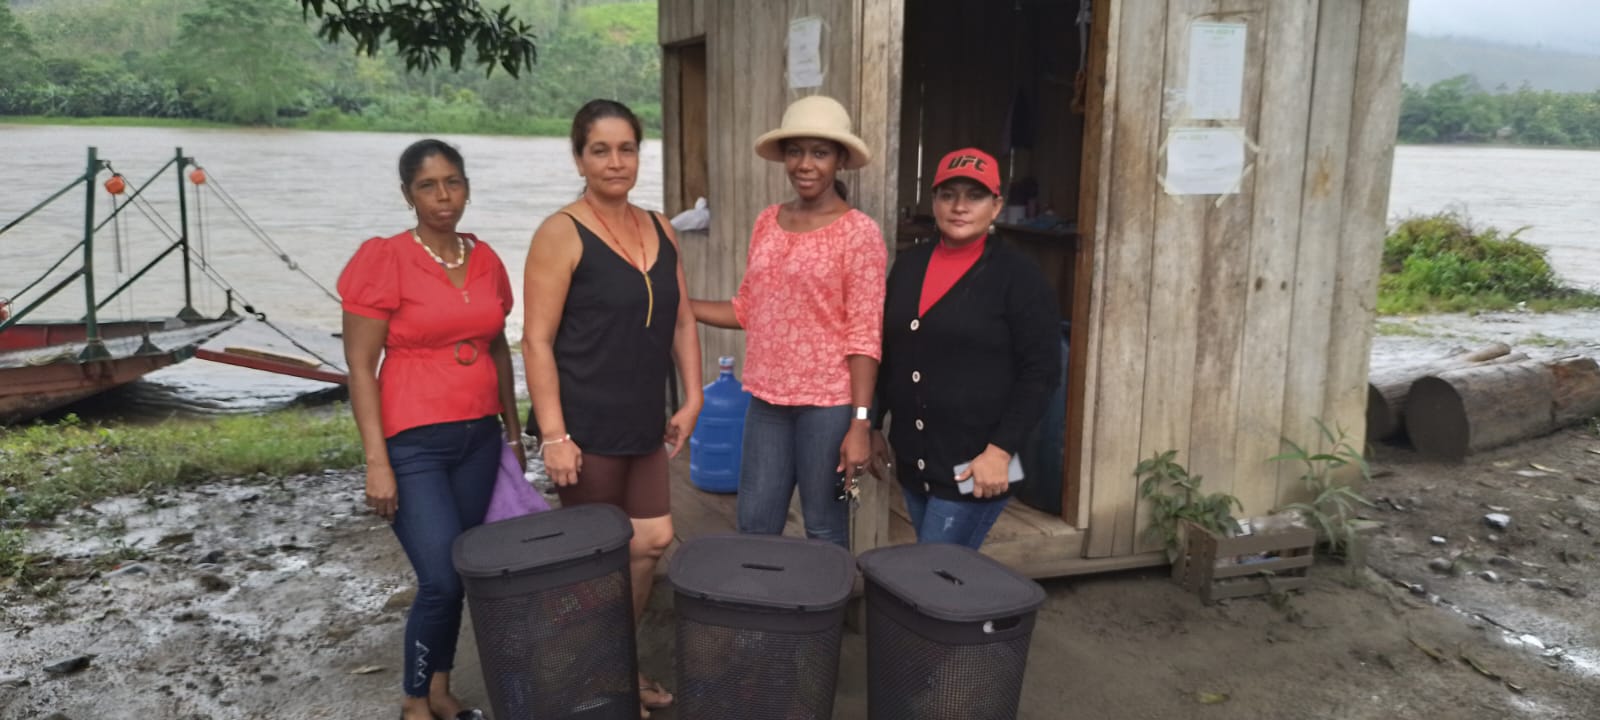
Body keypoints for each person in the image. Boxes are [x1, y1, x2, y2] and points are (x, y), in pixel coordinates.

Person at [521, 98, 702, 718]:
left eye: (626, 149)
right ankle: (594, 680)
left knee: (651, 540)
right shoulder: (560, 232)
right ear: (580, 158)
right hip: (585, 423)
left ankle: (609, 663)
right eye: (600, 150)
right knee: (596, 559)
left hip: (644, 419)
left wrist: (694, 395)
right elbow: (536, 341)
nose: (615, 162)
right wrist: (553, 434)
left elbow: (682, 318)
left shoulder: (660, 226)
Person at [339, 139, 518, 720]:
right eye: (428, 186)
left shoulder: (485, 258)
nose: (443, 197)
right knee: (439, 577)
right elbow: (360, 368)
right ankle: (415, 699)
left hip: (479, 438)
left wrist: (513, 430)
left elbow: (498, 347)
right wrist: (377, 462)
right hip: (413, 443)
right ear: (407, 194)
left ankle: (440, 690)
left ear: (466, 187)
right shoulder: (384, 259)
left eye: (453, 182)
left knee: (461, 570)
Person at [691, 95, 887, 549]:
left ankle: (826, 600)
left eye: (820, 153)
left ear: (840, 160)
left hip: (829, 407)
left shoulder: (859, 232)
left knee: (824, 528)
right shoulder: (767, 221)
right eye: (796, 151)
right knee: (755, 526)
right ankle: (765, 598)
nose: (805, 164)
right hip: (766, 402)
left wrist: (860, 424)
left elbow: (864, 335)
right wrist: (682, 303)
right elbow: (748, 308)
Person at [872, 147, 1061, 549]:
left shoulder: (1020, 277)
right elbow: (889, 353)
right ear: (934, 202)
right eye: (948, 195)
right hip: (916, 461)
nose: (959, 207)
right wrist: (872, 424)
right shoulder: (909, 266)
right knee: (942, 571)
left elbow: (1041, 373)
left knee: (934, 571)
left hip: (977, 466)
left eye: (974, 196)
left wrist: (1000, 451)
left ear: (996, 207)